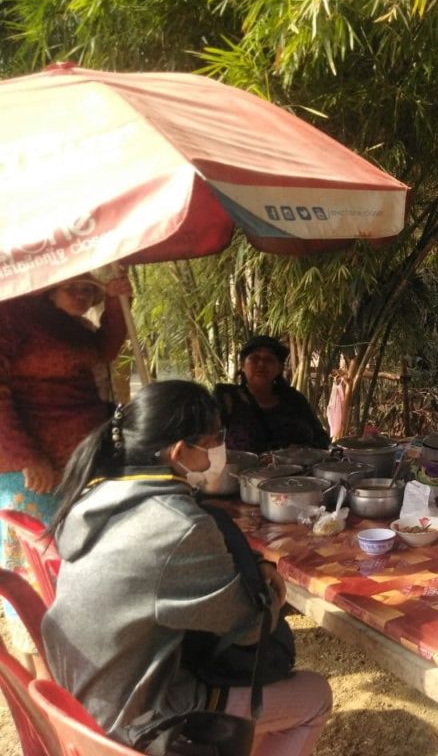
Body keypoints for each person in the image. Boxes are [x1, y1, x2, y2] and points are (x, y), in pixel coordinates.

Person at [41, 380, 332, 754]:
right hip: (138, 717)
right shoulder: (180, 524)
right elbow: (248, 628)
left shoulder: (94, 495)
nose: (214, 457)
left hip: (83, 696)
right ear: (179, 452)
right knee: (315, 695)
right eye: (211, 444)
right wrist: (272, 596)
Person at [0, 273, 130, 662]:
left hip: (80, 463)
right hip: (33, 471)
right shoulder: (11, 314)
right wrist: (27, 455)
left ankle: (77, 666)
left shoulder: (74, 326)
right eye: (76, 278)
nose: (84, 289)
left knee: (74, 567)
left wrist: (114, 302)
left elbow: (104, 350)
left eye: (92, 283)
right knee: (35, 570)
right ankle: (43, 673)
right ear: (50, 277)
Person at [215, 335, 330, 453]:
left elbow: (323, 439)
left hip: (297, 469)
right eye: (254, 358)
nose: (261, 364)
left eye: (269, 359)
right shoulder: (227, 398)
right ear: (243, 366)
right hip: (242, 470)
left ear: (279, 368)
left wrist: (301, 451)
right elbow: (206, 442)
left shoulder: (294, 399)